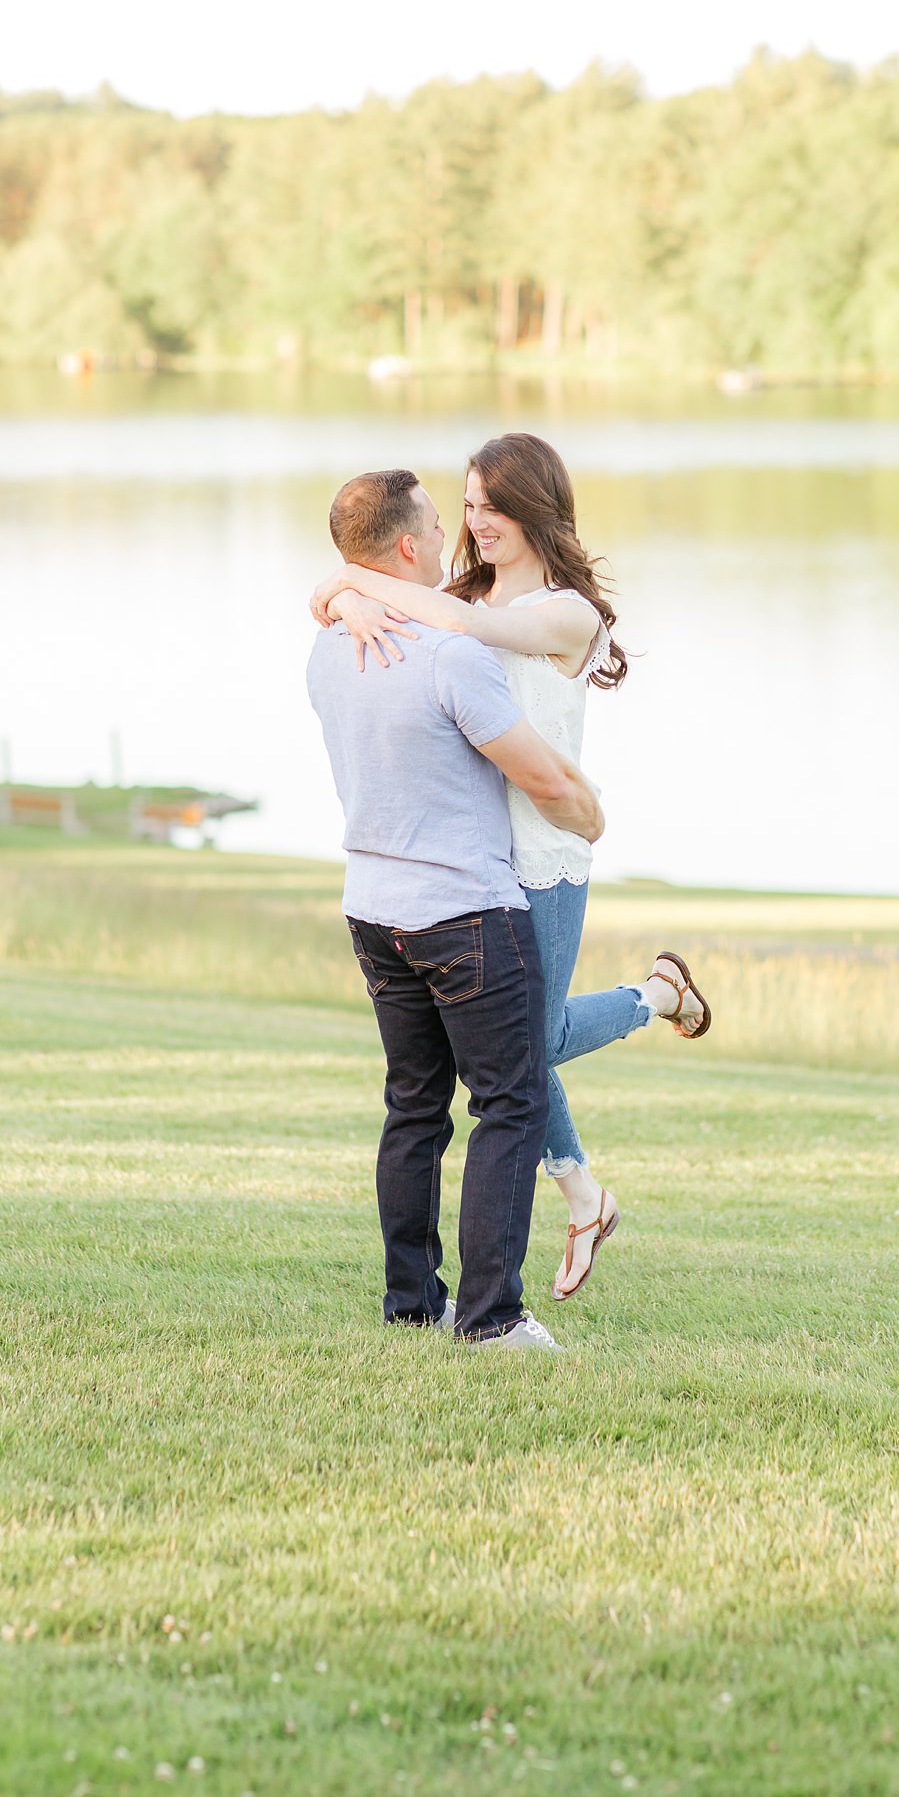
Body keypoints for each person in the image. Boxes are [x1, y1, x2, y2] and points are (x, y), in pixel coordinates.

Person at [311, 432, 711, 1303]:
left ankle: (657, 995)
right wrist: (342, 602)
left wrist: (351, 587)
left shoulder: (568, 614)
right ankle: (584, 1196)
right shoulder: (452, 593)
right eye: (469, 505)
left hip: (547, 856)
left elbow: (461, 625)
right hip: (470, 868)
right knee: (509, 1061)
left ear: (536, 508)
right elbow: (353, 603)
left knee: (534, 1047)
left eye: (495, 506)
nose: (479, 522)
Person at [306, 466, 606, 1349]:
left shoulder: (329, 645)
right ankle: (491, 1317)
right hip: (467, 912)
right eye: (441, 523)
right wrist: (591, 815)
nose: (453, 537)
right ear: (407, 546)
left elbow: (339, 597)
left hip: (373, 909)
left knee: (414, 1107)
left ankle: (412, 1301)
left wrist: (342, 593)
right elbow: (541, 775)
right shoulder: (450, 654)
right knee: (510, 1102)